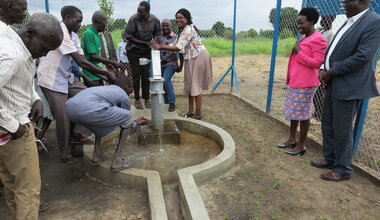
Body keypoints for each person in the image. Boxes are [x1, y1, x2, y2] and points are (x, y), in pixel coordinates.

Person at [0, 12, 63, 220]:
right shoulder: (14, 55)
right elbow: (14, 66)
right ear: (30, 33)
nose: (44, 55)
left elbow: (16, 80)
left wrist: (34, 97)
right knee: (27, 192)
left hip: (5, 135)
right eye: (44, 48)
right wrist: (12, 125)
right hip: (14, 132)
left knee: (13, 186)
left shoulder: (11, 38)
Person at [311, 0, 380, 182]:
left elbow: (363, 56)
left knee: (342, 128)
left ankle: (343, 169)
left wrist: (331, 71)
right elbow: (333, 50)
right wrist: (322, 68)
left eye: (347, 1)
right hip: (333, 82)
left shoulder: (373, 21)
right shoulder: (348, 22)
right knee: (328, 123)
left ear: (362, 1)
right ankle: (331, 159)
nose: (343, 4)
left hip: (349, 85)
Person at [37, 6, 115, 164]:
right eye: (77, 20)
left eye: (81, 21)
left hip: (66, 77)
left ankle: (75, 134)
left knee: (90, 99)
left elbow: (82, 59)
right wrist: (106, 74)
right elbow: (80, 62)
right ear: (66, 17)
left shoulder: (74, 36)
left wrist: (104, 74)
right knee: (63, 116)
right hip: (51, 79)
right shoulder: (59, 32)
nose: (80, 24)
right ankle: (64, 153)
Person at [66, 74, 149, 172]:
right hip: (88, 109)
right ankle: (116, 161)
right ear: (126, 87)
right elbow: (126, 122)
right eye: (131, 87)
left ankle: (96, 155)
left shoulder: (106, 89)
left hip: (69, 109)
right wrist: (135, 123)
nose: (132, 90)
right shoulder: (123, 95)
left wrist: (134, 123)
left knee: (102, 118)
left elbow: (116, 118)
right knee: (128, 115)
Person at [277, 7, 327, 155]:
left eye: (301, 23)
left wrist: (298, 53)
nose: (299, 26)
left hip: (305, 85)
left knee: (303, 115)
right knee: (294, 113)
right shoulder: (305, 37)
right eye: (297, 24)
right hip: (296, 82)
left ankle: (301, 145)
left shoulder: (318, 39)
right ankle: (292, 139)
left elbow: (317, 63)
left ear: (312, 22)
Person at [153, 9, 213, 120]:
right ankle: (190, 111)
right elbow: (174, 43)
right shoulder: (183, 30)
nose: (178, 20)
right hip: (190, 59)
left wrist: (161, 47)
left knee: (196, 86)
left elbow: (177, 47)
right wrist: (159, 45)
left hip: (198, 57)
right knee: (190, 85)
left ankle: (198, 113)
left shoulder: (188, 29)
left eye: (180, 17)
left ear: (187, 18)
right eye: (177, 18)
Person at [125, 1, 162, 109]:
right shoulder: (133, 19)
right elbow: (129, 36)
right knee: (136, 75)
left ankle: (146, 98)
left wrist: (154, 40)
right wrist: (144, 43)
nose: (138, 13)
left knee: (145, 75)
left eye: (141, 12)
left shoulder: (154, 20)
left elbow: (158, 33)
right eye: (138, 11)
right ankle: (137, 99)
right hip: (133, 50)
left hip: (146, 50)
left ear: (147, 12)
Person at [82, 11, 120, 87]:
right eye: (105, 22)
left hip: (97, 73)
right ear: (100, 22)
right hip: (91, 75)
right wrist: (112, 62)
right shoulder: (89, 33)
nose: (106, 25)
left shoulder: (96, 34)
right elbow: (93, 56)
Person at [154, 19, 184, 112]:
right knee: (162, 81)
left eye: (167, 25)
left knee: (166, 79)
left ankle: (172, 102)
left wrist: (181, 65)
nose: (165, 27)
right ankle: (167, 101)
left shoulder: (176, 37)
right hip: (161, 63)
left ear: (171, 26)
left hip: (171, 63)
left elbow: (181, 52)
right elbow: (154, 49)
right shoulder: (159, 37)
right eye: (163, 26)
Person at [312, 15, 336, 123]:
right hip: (318, 65)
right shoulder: (322, 32)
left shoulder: (331, 33)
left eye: (326, 19)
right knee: (316, 93)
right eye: (323, 19)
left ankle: (320, 114)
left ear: (332, 20)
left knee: (319, 93)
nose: (323, 21)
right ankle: (318, 112)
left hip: (324, 66)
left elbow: (330, 51)